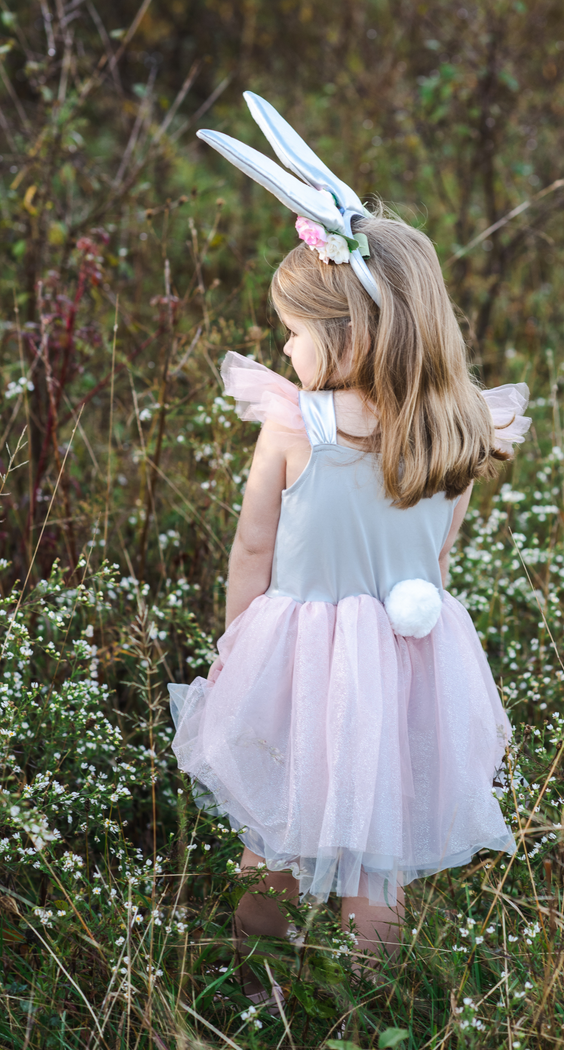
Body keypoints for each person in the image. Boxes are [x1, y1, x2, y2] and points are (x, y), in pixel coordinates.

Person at [169, 94, 530, 993]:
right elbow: (436, 566)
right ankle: (371, 1010)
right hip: (407, 660)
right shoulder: (458, 429)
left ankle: (252, 988)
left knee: (275, 835)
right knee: (379, 856)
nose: (285, 351)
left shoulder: (296, 427)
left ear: (348, 335)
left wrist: (234, 647)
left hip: (296, 659)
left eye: (293, 334)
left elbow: (252, 552)